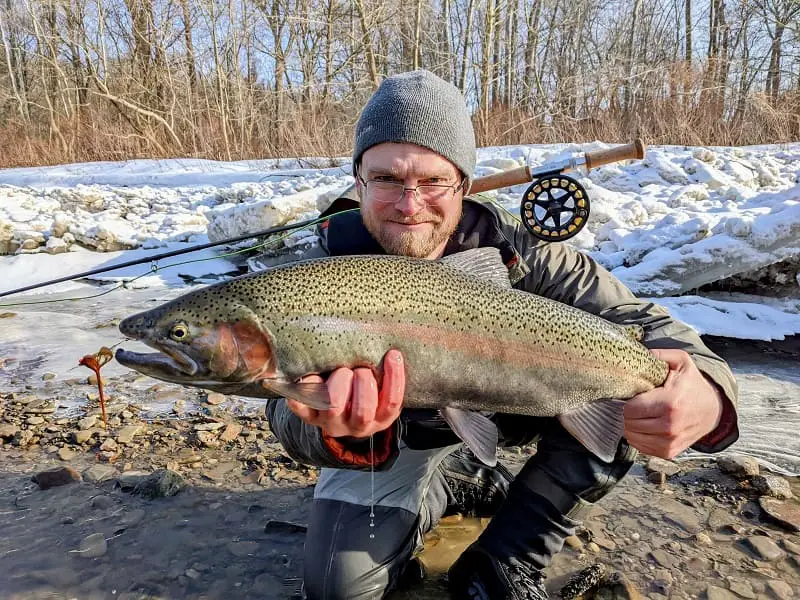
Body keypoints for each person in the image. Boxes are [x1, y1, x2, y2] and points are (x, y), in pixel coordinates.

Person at [265, 70, 739, 600]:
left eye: (432, 182)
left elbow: (657, 331)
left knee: (631, 377)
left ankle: (511, 555)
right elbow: (280, 408)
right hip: (397, 445)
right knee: (337, 590)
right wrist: (336, 428)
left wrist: (708, 394)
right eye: (387, 180)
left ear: (463, 185)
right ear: (358, 183)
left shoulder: (527, 256)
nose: (409, 204)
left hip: (527, 409)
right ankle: (455, 482)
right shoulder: (320, 272)